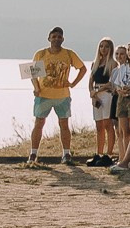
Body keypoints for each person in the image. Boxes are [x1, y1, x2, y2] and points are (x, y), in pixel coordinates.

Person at [26, 27, 86, 166]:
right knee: (39, 123)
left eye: (59, 37)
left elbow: (82, 69)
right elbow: (33, 74)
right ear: (49, 38)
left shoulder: (68, 54)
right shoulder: (41, 54)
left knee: (64, 124)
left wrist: (73, 84)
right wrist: (36, 88)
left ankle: (66, 154)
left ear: (63, 39)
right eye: (54, 37)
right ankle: (33, 153)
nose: (56, 39)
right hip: (43, 95)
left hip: (62, 96)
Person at [85, 36, 117, 166]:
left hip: (106, 94)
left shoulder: (113, 64)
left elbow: (111, 83)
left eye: (106, 46)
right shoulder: (95, 63)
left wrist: (98, 91)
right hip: (96, 94)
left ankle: (108, 154)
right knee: (98, 126)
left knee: (107, 124)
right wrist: (92, 93)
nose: (103, 49)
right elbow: (91, 79)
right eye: (101, 46)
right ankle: (98, 153)